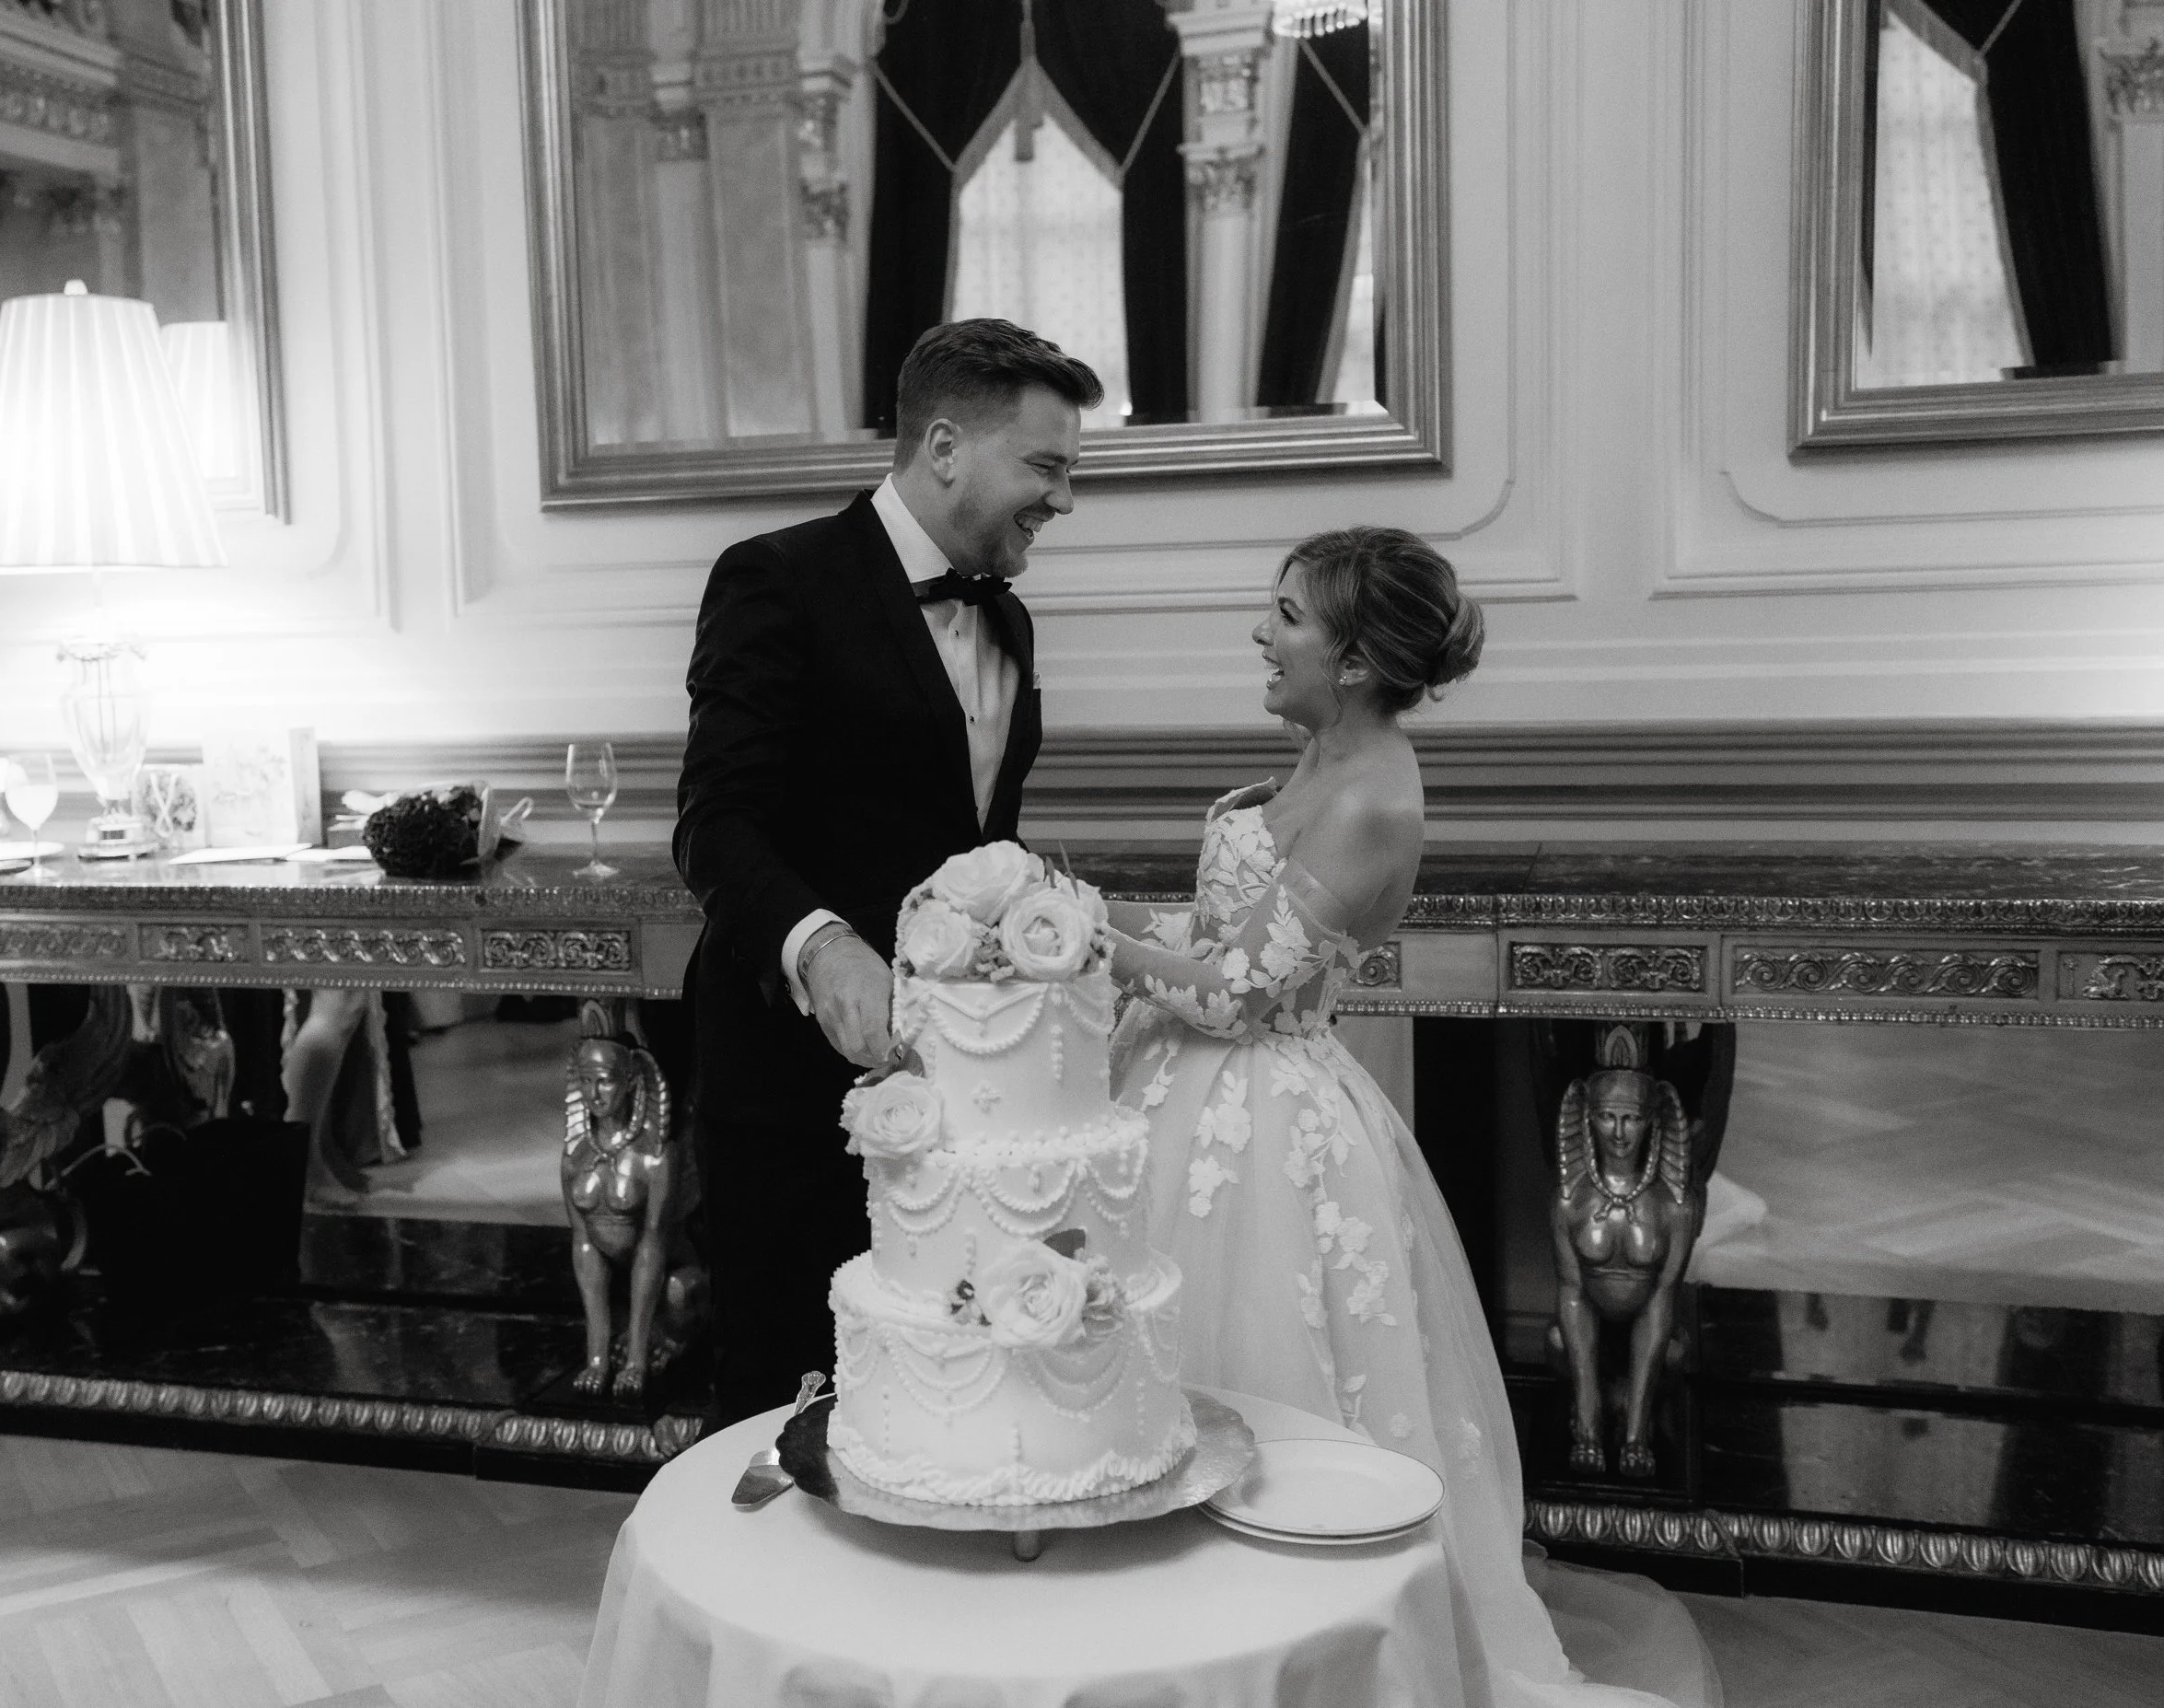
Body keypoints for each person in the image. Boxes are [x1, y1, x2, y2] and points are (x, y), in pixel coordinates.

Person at [1101, 526, 1718, 1708]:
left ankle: (1295, 1663)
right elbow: (1228, 941)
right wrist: (1125, 928)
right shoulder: (1318, 756)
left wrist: (1096, 945)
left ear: (1351, 658)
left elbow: (1241, 997)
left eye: (1285, 613)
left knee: (1271, 1388)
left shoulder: (1376, 795)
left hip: (1268, 1128)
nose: (1260, 632)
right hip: (1188, 1101)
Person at [674, 319, 1103, 1423]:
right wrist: (820, 946)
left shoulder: (1007, 621)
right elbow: (715, 823)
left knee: (936, 1384)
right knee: (785, 1388)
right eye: (1046, 467)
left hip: (960, 1080)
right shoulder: (777, 578)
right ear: (947, 447)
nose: (1062, 498)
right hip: (787, 1078)